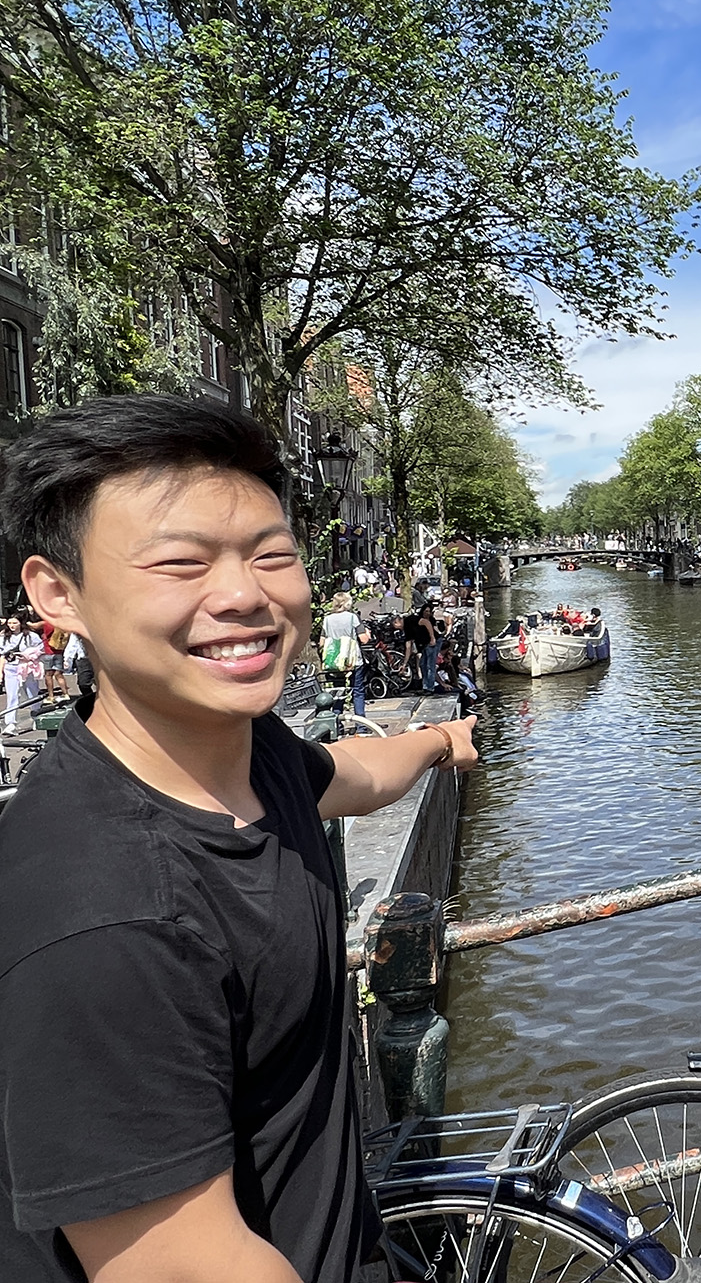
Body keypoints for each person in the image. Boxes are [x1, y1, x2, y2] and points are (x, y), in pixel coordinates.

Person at [0, 394, 478, 1283]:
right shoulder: (106, 912)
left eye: (272, 556)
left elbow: (339, 778)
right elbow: (183, 1264)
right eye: (181, 564)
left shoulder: (247, 753)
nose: (244, 595)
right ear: (58, 595)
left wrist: (437, 740)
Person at [318, 590, 370, 716]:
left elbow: (321, 642)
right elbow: (363, 639)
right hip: (352, 660)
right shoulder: (352, 617)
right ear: (347, 604)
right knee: (357, 691)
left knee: (338, 691)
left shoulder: (327, 619)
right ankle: (361, 726)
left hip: (335, 660)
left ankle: (336, 723)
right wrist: (367, 633)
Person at [0, 614, 42, 735]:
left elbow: (40, 649)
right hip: (10, 668)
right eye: (10, 623)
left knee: (32, 693)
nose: (12, 626)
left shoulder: (30, 636)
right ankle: (11, 724)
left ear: (21, 623)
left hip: (26, 668)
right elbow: (2, 655)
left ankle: (36, 716)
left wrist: (29, 655)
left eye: (15, 623)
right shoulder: (4, 637)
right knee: (12, 696)